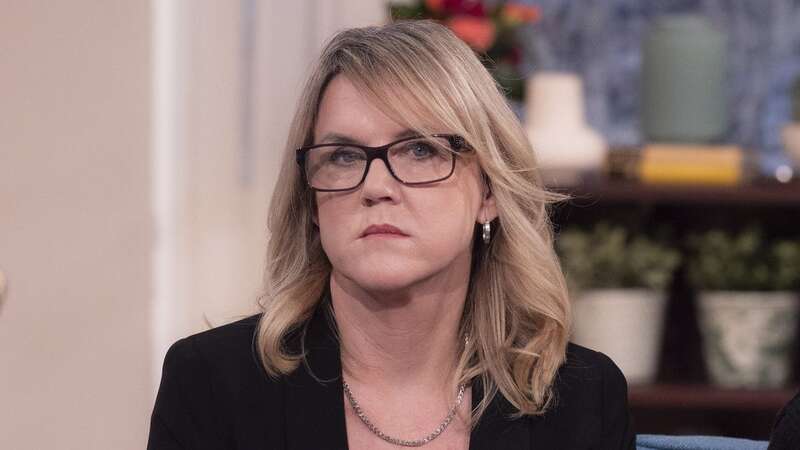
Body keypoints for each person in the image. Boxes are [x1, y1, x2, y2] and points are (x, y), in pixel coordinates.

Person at [147, 20, 635, 450]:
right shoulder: (211, 383)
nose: (376, 187)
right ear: (312, 204)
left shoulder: (581, 399)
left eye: (420, 150)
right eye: (342, 156)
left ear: (489, 190)